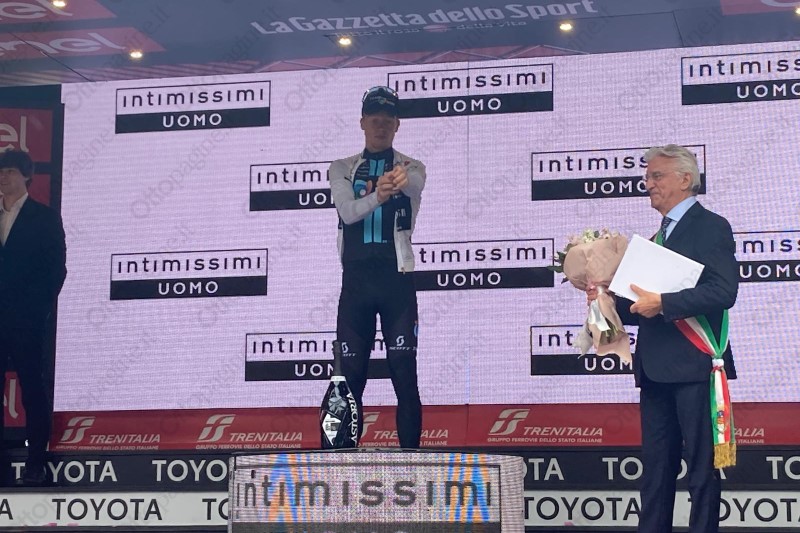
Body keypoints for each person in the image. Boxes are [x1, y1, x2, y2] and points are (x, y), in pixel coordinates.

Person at [588, 144, 738, 532]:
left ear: (685, 179)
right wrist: (603, 299)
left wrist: (664, 303)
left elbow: (724, 291)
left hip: (695, 367)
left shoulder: (711, 226)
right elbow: (638, 308)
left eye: (657, 176)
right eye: (647, 176)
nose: (648, 183)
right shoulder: (656, 238)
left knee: (702, 472)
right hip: (655, 369)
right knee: (655, 473)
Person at [328, 86, 424, 448]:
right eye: (374, 120)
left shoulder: (412, 167)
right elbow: (347, 212)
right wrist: (378, 195)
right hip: (356, 284)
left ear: (397, 125)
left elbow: (414, 185)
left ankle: (412, 460)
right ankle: (336, 463)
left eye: (387, 120)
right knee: (348, 377)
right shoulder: (342, 167)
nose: (380, 126)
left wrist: (401, 182)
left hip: (396, 282)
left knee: (404, 373)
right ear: (362, 123)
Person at [0, 149, 67, 485]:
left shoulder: (44, 218)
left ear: (27, 176)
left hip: (27, 321)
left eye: (11, 171)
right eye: (1, 172)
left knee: (32, 390)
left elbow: (56, 271)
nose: (4, 177)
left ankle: (36, 463)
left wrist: (35, 312)